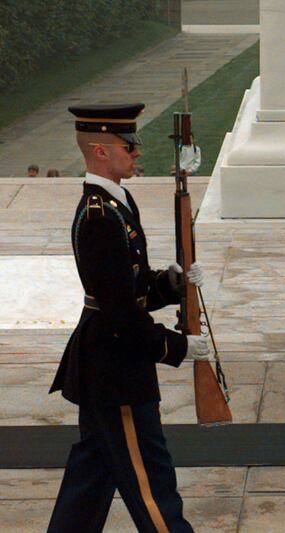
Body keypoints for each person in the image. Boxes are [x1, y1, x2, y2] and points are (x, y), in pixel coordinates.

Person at [48, 103, 209, 533]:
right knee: (151, 483)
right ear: (101, 151)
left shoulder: (117, 203)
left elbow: (129, 285)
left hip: (108, 365)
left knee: (91, 479)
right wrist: (174, 347)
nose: (137, 153)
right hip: (116, 370)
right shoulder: (101, 217)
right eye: (129, 146)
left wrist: (169, 283)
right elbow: (119, 311)